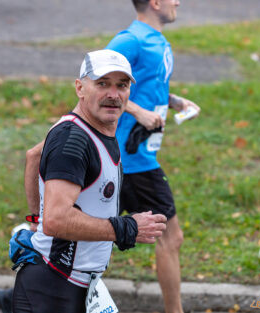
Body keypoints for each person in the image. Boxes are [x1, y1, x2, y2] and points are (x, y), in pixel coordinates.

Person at [10, 49, 167, 313]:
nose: (113, 95)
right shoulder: (73, 141)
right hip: (54, 286)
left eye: (122, 85)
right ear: (80, 88)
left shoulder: (93, 128)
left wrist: (36, 220)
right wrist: (126, 228)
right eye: (102, 83)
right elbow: (57, 220)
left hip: (75, 284)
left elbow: (33, 156)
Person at [105, 1, 201, 312]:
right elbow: (99, 83)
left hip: (137, 156)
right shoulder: (129, 40)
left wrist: (173, 101)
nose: (178, 2)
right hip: (130, 160)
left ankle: (27, 296)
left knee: (86, 238)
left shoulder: (157, 40)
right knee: (170, 238)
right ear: (156, 2)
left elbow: (145, 85)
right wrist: (138, 112)